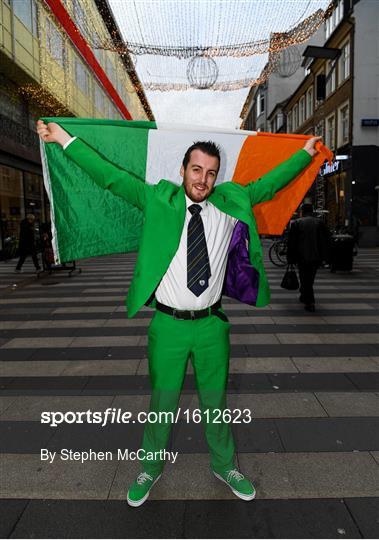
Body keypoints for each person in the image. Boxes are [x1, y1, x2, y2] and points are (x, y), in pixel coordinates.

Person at [36, 119, 321, 506]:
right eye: (196, 169)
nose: (203, 179)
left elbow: (270, 184)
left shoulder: (230, 201)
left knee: (216, 405)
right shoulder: (159, 199)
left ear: (217, 177)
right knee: (163, 402)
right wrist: (64, 139)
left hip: (211, 328)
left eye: (211, 173)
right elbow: (110, 177)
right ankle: (149, 468)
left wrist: (305, 154)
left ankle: (224, 465)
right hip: (167, 326)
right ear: (183, 170)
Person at [287, 203, 331, 312]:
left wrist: (290, 258)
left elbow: (292, 242)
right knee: (310, 278)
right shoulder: (320, 223)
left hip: (302, 256)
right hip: (316, 256)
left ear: (302, 211)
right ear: (312, 211)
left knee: (304, 278)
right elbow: (326, 240)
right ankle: (304, 295)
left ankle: (309, 301)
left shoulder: (297, 223)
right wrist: (326, 257)